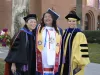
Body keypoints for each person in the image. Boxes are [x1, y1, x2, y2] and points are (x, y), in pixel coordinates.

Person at [59, 11, 90, 75]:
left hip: (74, 61)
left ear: (76, 22)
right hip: (64, 61)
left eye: (73, 21)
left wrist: (80, 62)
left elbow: (83, 49)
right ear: (67, 22)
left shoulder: (80, 34)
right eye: (70, 21)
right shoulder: (64, 32)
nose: (71, 23)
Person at [36, 8, 62, 75]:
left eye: (49, 17)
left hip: (54, 57)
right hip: (42, 57)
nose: (47, 18)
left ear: (53, 19)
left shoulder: (58, 30)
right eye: (45, 17)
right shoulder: (38, 29)